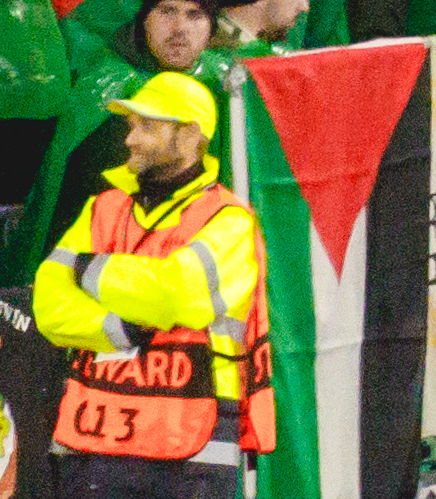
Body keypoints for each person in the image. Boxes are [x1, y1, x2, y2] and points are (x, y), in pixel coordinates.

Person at [30, 74, 271, 498]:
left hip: (189, 442)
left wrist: (92, 270)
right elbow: (49, 303)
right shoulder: (103, 208)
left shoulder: (230, 220)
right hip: (98, 438)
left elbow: (179, 295)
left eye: (148, 126)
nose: (131, 140)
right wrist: (117, 328)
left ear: (190, 135)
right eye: (131, 126)